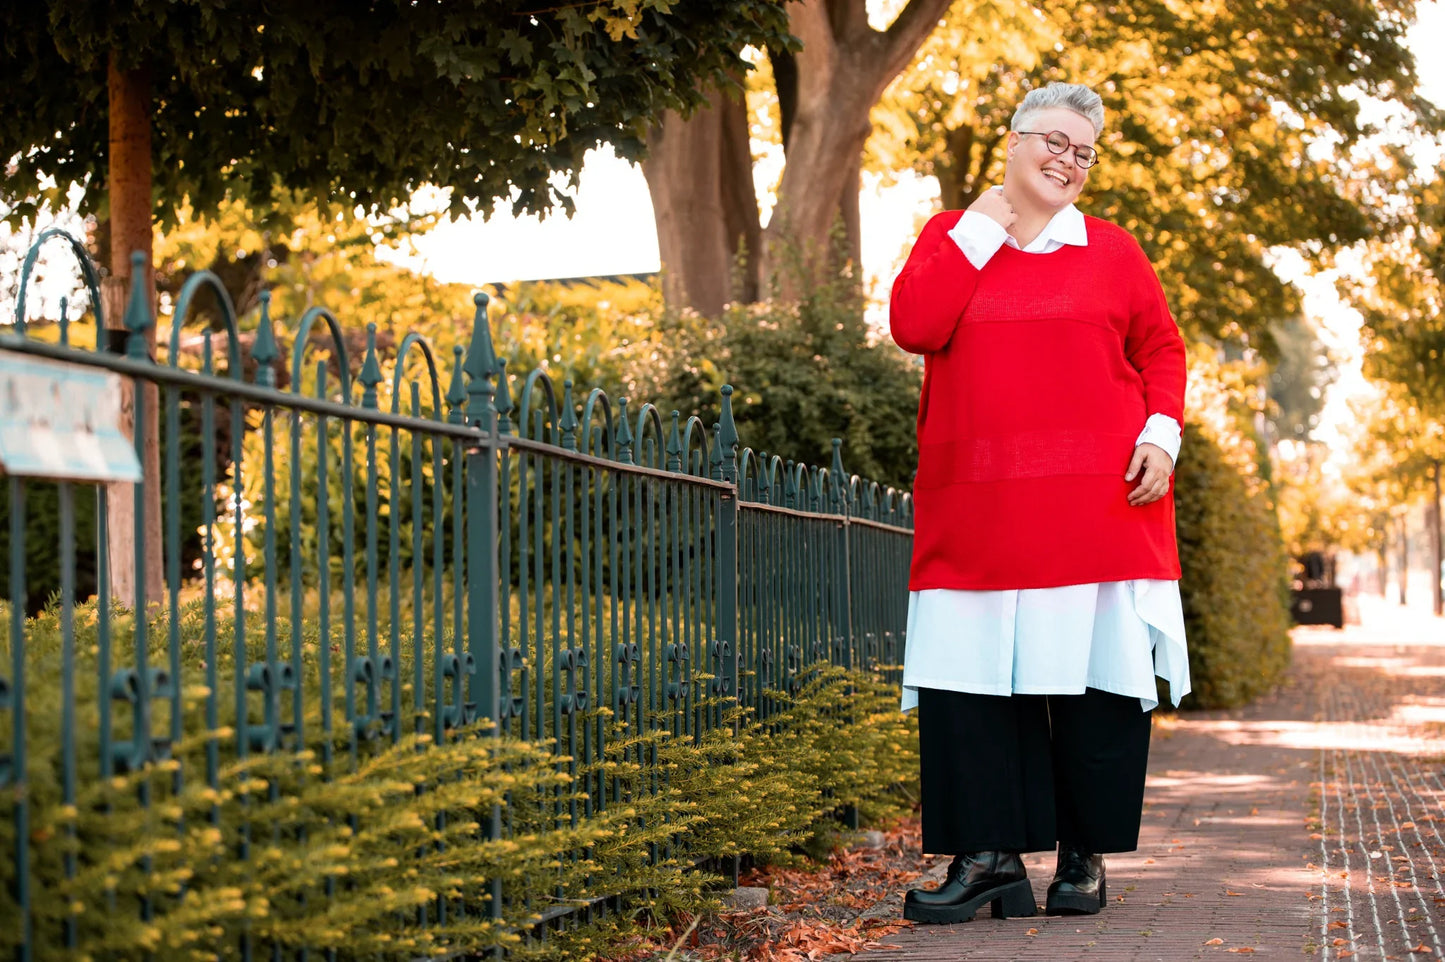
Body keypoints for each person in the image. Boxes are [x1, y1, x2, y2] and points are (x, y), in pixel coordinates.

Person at [887, 81, 1190, 924]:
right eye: (1054, 141)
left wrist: (1160, 434)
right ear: (1013, 141)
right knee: (969, 684)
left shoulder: (1112, 250)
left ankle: (1082, 857)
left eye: (1082, 151)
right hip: (973, 510)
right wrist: (981, 231)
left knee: (1091, 688)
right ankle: (987, 859)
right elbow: (914, 325)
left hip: (1095, 505)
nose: (1068, 160)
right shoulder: (952, 234)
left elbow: (1161, 348)